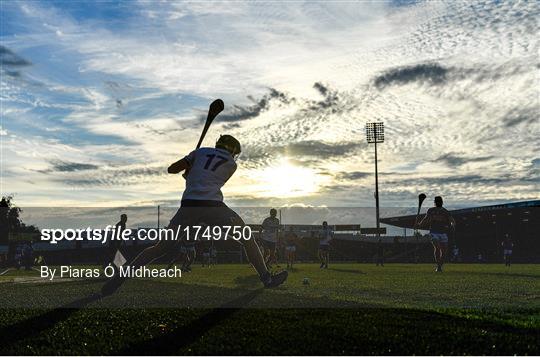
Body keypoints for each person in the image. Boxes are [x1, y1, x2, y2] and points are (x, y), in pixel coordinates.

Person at [102, 135, 287, 295]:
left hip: (188, 205)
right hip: (213, 206)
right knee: (247, 238)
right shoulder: (231, 164)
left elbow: (172, 169)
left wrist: (189, 167)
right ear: (232, 150)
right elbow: (209, 178)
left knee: (159, 248)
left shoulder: (199, 152)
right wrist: (190, 172)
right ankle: (266, 278)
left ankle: (119, 278)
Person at [416, 196, 455, 272]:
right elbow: (426, 219)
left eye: (439, 201)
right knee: (437, 248)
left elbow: (451, 220)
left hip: (443, 233)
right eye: (436, 201)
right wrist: (420, 224)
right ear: (435, 202)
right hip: (434, 232)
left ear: (441, 202)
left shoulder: (445, 211)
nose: (438, 202)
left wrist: (452, 224)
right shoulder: (431, 210)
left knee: (444, 252)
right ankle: (438, 266)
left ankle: (440, 266)